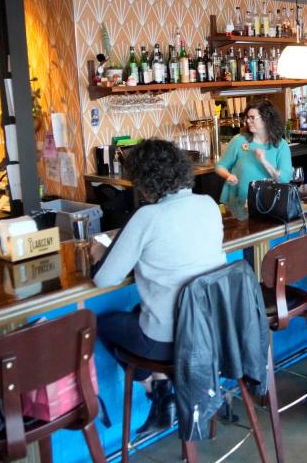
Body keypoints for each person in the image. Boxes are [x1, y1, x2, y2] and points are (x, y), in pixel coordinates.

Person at [93, 139, 226, 434]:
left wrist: (100, 255)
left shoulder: (147, 217)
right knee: (144, 310)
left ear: (142, 180)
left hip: (166, 342)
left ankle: (153, 385)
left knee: (104, 324)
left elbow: (104, 279)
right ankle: (166, 391)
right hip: (210, 331)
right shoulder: (208, 205)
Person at [215, 99, 293, 209]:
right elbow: (220, 166)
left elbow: (284, 179)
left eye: (252, 118)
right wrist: (228, 176)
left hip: (267, 205)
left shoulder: (281, 145)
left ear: (266, 119)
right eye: (247, 117)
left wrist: (264, 162)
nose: (248, 121)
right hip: (237, 205)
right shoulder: (238, 141)